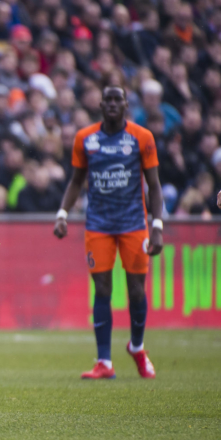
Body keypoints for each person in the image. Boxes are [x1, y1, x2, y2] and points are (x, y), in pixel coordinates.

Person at [54, 86, 163, 380]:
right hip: (98, 224)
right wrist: (62, 214)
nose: (113, 104)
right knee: (102, 289)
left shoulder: (142, 137)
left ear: (126, 104)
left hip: (133, 223)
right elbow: (76, 180)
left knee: (136, 289)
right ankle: (104, 362)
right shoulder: (85, 138)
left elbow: (154, 185)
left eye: (118, 99)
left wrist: (157, 226)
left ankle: (137, 347)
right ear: (101, 104)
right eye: (108, 99)